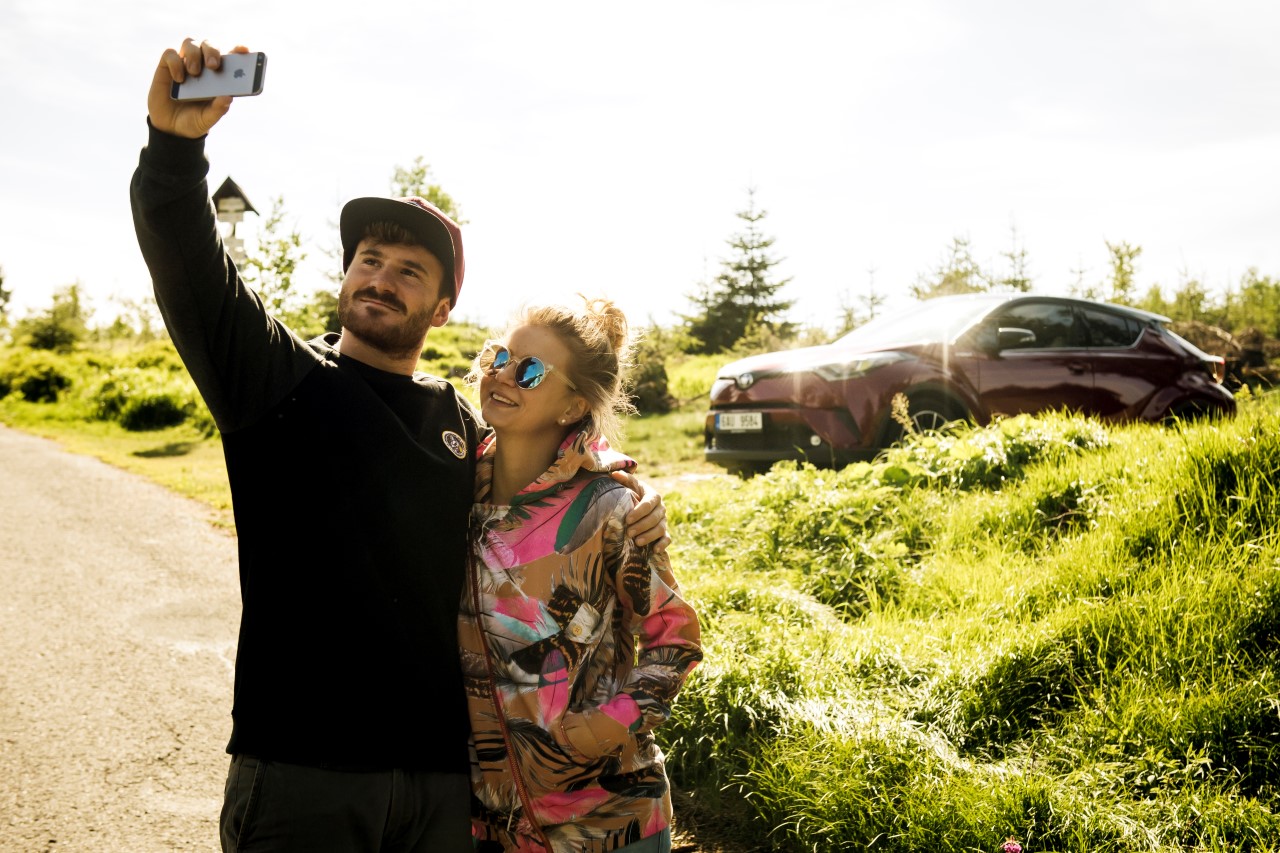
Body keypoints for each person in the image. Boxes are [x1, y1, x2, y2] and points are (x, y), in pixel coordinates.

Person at [131, 39, 669, 852]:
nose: (380, 277)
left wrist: (623, 487)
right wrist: (175, 150)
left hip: (446, 790)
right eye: (368, 259)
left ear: (443, 309)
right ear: (345, 276)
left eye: (409, 270)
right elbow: (190, 268)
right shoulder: (275, 379)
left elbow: (551, 466)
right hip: (303, 776)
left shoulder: (463, 424)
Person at [460, 298, 702, 852]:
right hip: (490, 828)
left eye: (529, 370)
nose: (503, 374)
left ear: (572, 406)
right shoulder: (453, 488)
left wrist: (599, 730)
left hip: (610, 822)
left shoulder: (610, 510)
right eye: (500, 357)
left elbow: (675, 641)